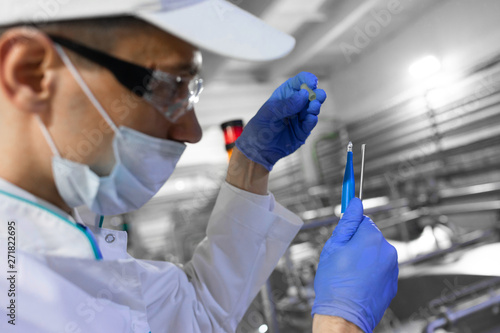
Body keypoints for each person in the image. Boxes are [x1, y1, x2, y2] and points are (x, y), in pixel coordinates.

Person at [0, 1, 398, 332]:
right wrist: (340, 325)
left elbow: (194, 315)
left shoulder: (64, 224)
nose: (191, 130)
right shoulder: (18, 296)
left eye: (190, 92)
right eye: (169, 86)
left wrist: (249, 167)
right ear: (30, 72)